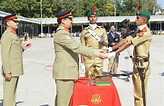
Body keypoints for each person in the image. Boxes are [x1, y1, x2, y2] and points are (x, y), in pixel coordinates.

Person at [52, 10, 108, 106]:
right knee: (63, 101)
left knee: (66, 100)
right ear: (63, 21)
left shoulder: (64, 33)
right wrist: (97, 53)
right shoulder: (61, 34)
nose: (71, 21)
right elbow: (77, 47)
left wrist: (97, 51)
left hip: (67, 73)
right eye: (69, 19)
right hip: (65, 73)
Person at [108, 10, 152, 106]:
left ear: (144, 21)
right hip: (137, 64)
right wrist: (111, 48)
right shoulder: (138, 31)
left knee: (141, 93)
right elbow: (125, 40)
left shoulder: (145, 33)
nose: (135, 19)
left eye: (138, 18)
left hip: (143, 65)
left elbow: (129, 44)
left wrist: (114, 53)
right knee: (137, 92)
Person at [1, 14, 32, 106]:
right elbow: (5, 55)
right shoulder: (7, 36)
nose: (17, 23)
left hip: (15, 69)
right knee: (9, 96)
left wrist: (22, 48)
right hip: (10, 70)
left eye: (17, 21)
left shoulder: (13, 35)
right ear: (8, 23)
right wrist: (7, 71)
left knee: (12, 95)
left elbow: (14, 52)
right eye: (15, 21)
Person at [80, 11, 108, 77]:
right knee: (88, 78)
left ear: (97, 18)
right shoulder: (84, 31)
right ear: (88, 18)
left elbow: (106, 44)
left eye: (94, 17)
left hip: (99, 56)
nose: (93, 18)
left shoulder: (102, 30)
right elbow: (82, 47)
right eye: (91, 17)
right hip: (88, 57)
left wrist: (102, 42)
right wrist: (82, 62)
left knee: (98, 77)